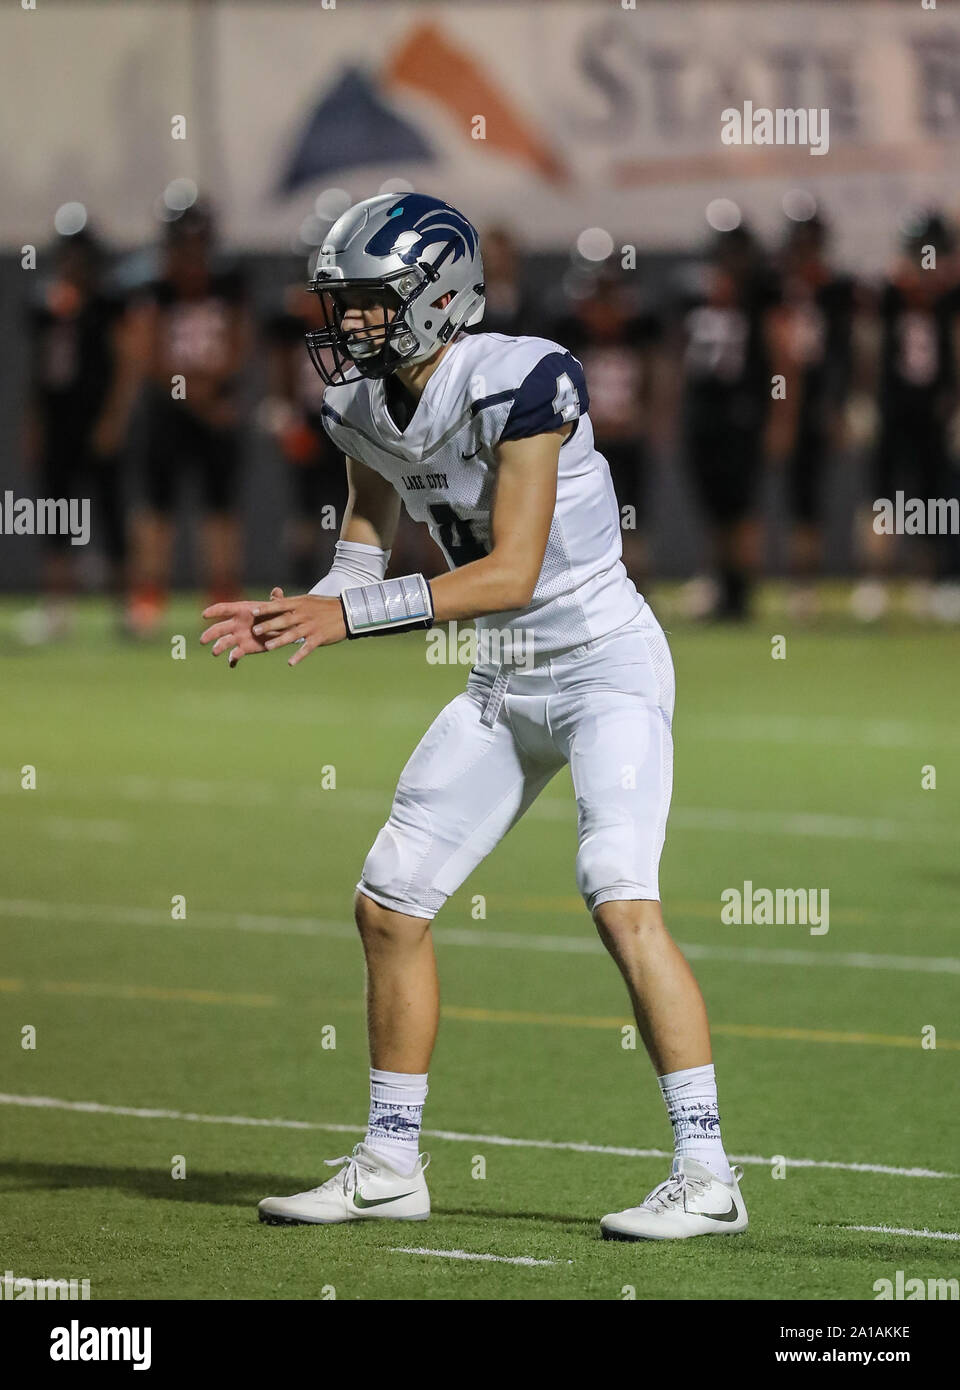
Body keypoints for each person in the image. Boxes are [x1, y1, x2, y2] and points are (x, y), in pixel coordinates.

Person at [201, 193, 747, 1241]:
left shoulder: (522, 377)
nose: (348, 324)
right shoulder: (360, 406)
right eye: (343, 304)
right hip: (500, 683)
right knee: (389, 902)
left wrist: (349, 616)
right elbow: (366, 535)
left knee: (618, 897)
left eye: (368, 304)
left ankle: (709, 1170)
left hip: (603, 670)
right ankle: (391, 1162)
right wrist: (307, 607)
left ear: (437, 297)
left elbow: (511, 571)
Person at [126, 202, 251, 636]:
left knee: (220, 511)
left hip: (219, 407)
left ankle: (221, 603)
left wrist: (213, 393)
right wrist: (201, 400)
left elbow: (238, 345)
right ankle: (147, 601)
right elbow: (151, 355)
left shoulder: (229, 285)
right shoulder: (157, 290)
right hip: (172, 411)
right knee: (157, 511)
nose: (191, 257)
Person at [20, 226, 134, 641]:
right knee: (55, 515)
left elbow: (126, 364)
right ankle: (57, 612)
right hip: (58, 424)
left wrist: (113, 419)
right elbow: (40, 371)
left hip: (95, 420)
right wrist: (34, 423)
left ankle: (126, 611)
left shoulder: (108, 304)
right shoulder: (44, 305)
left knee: (110, 512)